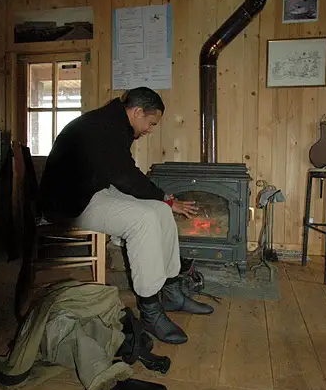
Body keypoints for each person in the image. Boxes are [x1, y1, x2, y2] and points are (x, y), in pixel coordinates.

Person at [39, 87, 213, 345]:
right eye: (151, 123)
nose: (149, 129)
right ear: (138, 112)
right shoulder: (106, 126)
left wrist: (165, 201)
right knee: (142, 220)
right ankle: (150, 311)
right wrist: (166, 197)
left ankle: (172, 290)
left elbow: (124, 172)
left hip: (90, 191)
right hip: (68, 206)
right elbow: (124, 176)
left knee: (160, 211)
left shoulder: (111, 122)